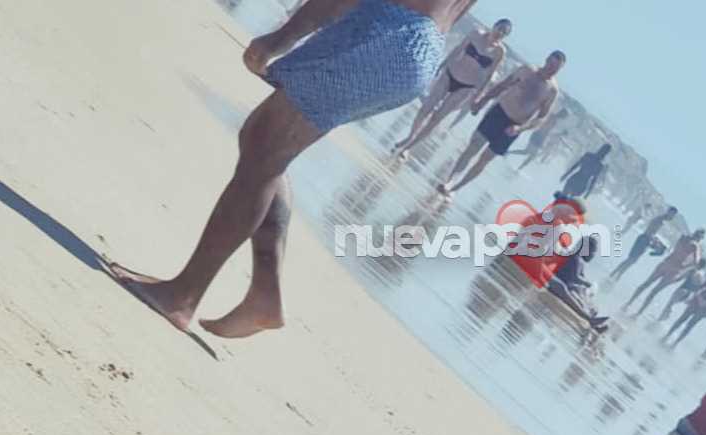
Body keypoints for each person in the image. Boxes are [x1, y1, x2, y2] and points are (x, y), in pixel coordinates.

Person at [103, 0, 472, 339]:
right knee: (262, 142)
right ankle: (263, 293)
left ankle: (183, 296)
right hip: (419, 46)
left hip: (389, 34)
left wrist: (283, 36)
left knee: (267, 148)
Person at [436, 51, 567, 197]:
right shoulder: (527, 70)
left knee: (484, 159)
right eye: (551, 64)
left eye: (556, 68)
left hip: (514, 127)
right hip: (499, 113)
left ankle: (455, 189)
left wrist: (520, 128)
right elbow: (502, 86)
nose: (551, 69)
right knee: (472, 147)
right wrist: (482, 101)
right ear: (547, 60)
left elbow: (541, 118)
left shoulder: (552, 90)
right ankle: (450, 182)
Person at [392, 16, 511, 156]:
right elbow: (457, 50)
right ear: (494, 25)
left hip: (467, 86)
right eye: (500, 28)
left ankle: (408, 148)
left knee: (436, 118)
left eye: (504, 32)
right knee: (425, 108)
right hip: (450, 74)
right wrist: (441, 65)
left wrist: (479, 95)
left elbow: (489, 75)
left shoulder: (499, 52)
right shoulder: (476, 34)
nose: (500, 33)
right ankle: (410, 137)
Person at [625, 227, 704, 314]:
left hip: (669, 263)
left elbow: (679, 250)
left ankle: (629, 305)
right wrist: (684, 266)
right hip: (674, 267)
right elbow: (696, 262)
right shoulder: (694, 245)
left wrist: (684, 266)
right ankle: (635, 311)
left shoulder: (685, 239)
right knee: (653, 290)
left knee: (648, 285)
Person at [606, 205, 679, 288]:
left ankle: (615, 276)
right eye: (672, 215)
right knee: (630, 260)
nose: (672, 217)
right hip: (643, 240)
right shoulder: (659, 220)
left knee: (631, 261)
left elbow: (651, 232)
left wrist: (655, 242)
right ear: (669, 212)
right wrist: (655, 242)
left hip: (644, 241)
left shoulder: (660, 221)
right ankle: (614, 275)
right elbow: (649, 232)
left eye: (673, 215)